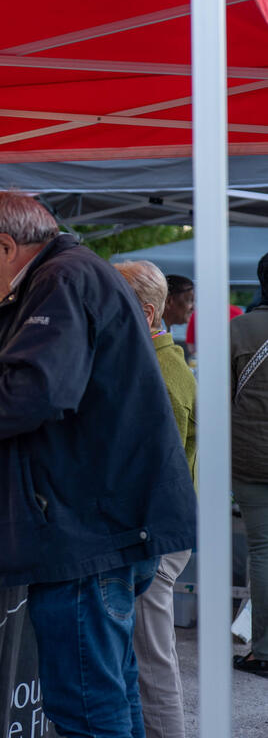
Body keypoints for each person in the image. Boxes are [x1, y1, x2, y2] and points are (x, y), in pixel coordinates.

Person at [0, 191, 196, 738]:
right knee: (112, 694)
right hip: (102, 524)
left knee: (89, 712)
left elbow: (39, 390)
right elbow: (66, 402)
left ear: (5, 246)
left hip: (84, 533)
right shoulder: (73, 276)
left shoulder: (60, 280)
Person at [115, 259, 197, 738]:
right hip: (159, 529)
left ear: (146, 314)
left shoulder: (161, 375)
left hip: (157, 534)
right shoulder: (162, 364)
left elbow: (148, 469)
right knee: (145, 654)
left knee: (152, 658)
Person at [231, 251, 268, 679]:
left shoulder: (239, 329)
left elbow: (220, 403)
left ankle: (264, 650)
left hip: (252, 456)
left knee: (263, 551)